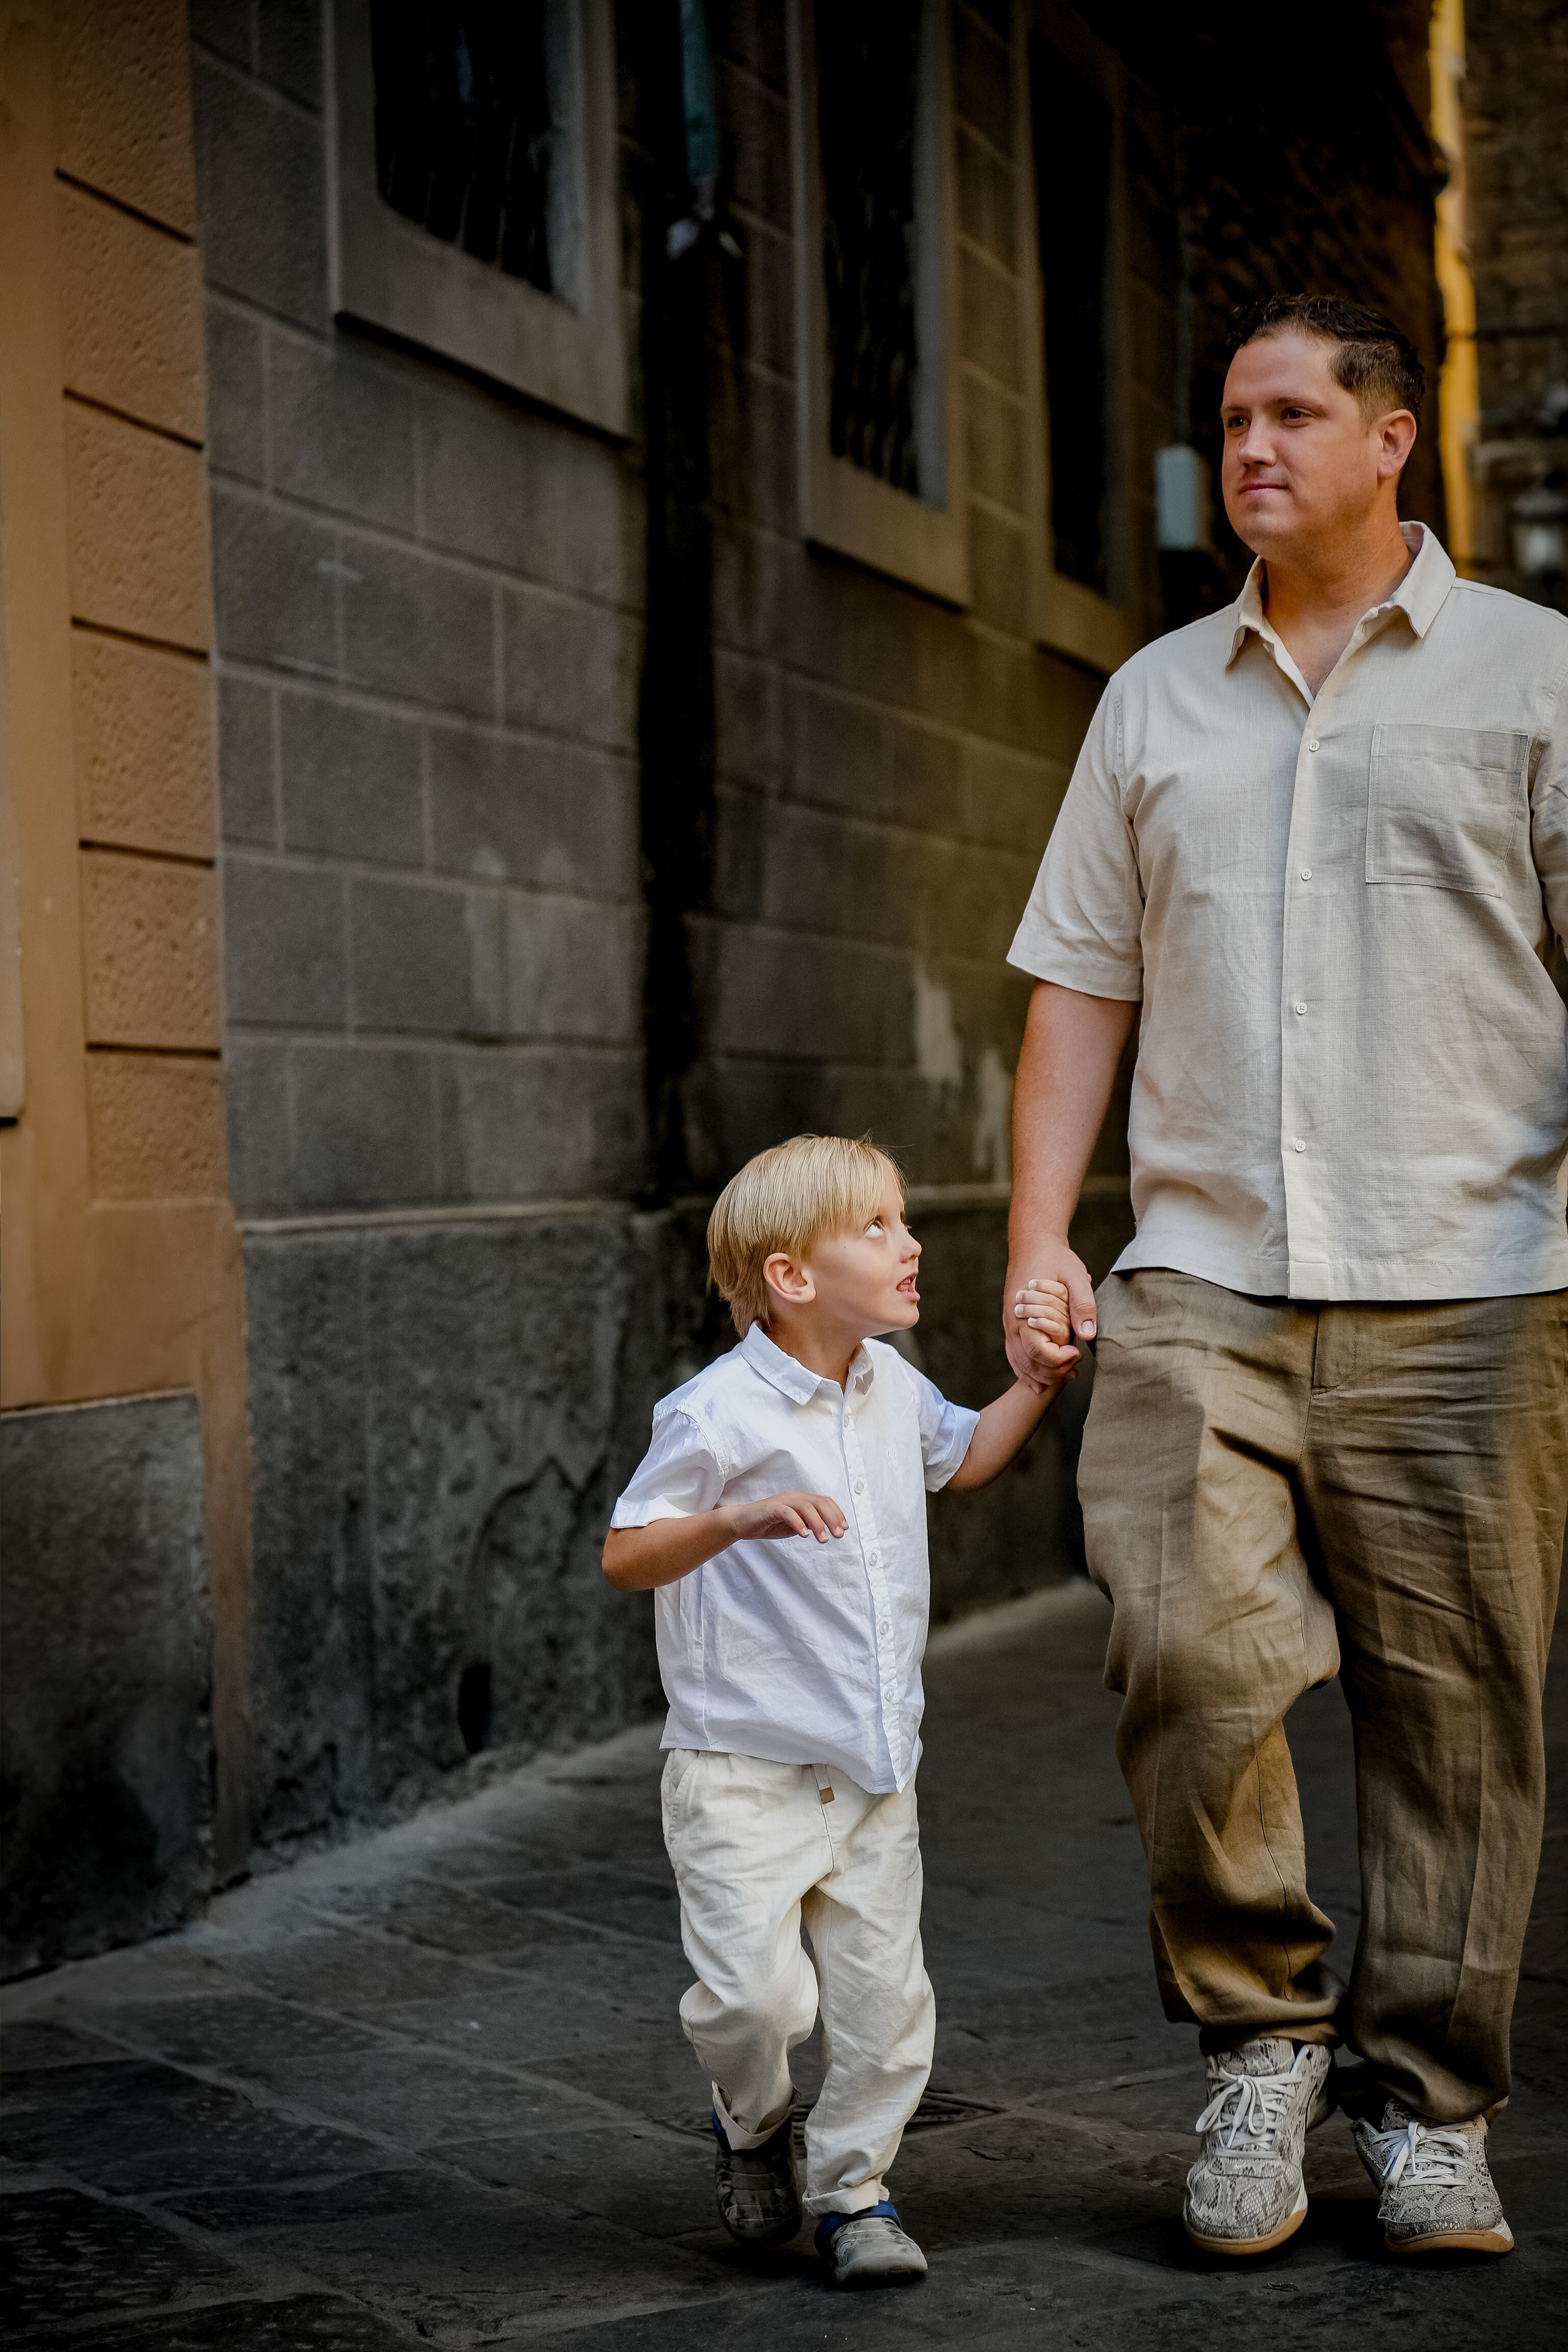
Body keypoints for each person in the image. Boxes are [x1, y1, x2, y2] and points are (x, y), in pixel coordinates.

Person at [1003, 293, 1568, 2261]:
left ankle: (1427, 2106)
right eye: (1232, 418)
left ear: (1391, 437)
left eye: (1292, 415)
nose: (1250, 447)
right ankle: (1262, 2045)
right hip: (1201, 1280)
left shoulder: (1535, 676)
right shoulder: (1155, 699)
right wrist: (1036, 1243)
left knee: (1461, 1716)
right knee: (1185, 1655)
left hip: (1475, 1282)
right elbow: (1082, 981)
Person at [604, 1134, 1074, 2285]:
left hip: (870, 1766)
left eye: (903, 1220)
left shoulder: (890, 1383)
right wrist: (732, 1522)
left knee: (884, 2006)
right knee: (752, 2003)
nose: (911, 1244)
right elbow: (626, 1554)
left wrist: (1035, 1386)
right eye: (877, 1227)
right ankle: (751, 2118)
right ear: (791, 1276)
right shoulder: (714, 1415)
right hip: (740, 1772)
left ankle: (856, 2194)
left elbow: (960, 1462)